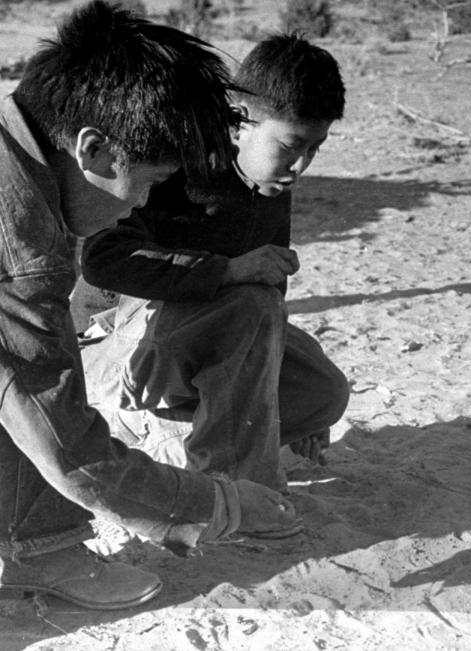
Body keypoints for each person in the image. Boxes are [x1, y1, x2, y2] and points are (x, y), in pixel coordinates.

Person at [0, 2, 300, 611]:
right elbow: (68, 445)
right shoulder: (26, 246)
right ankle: (39, 550)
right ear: (95, 150)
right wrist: (219, 505)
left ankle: (35, 547)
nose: (137, 205)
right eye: (145, 181)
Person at [78, 34, 350, 492]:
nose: (301, 165)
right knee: (251, 305)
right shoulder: (172, 162)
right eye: (290, 145)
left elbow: (267, 295)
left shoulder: (270, 182)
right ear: (239, 124)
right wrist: (226, 270)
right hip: (115, 353)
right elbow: (101, 261)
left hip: (197, 348)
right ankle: (237, 497)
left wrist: (296, 412)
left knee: (323, 391)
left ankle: (180, 441)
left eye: (314, 148)